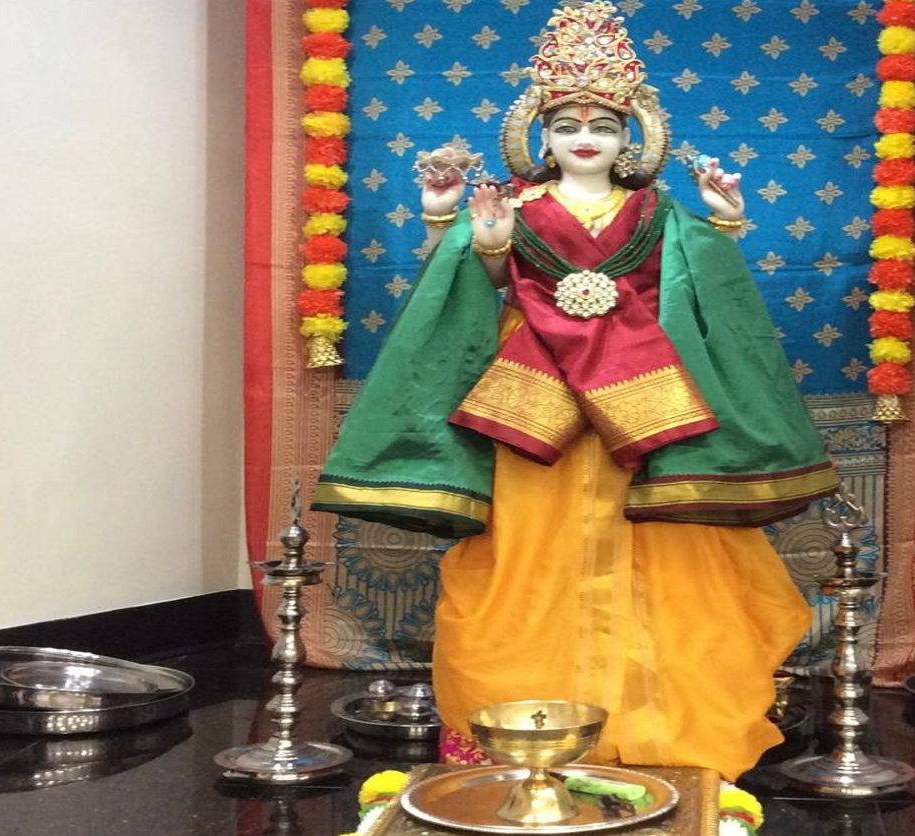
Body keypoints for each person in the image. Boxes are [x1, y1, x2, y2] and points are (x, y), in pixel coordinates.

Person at [309, 0, 836, 780]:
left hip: (642, 409)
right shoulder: (516, 207)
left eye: (602, 125)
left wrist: (725, 225)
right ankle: (525, 723)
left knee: (667, 556)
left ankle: (662, 732)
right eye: (565, 125)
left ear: (630, 139)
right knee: (523, 556)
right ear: (542, 137)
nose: (584, 137)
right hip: (535, 406)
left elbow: (701, 298)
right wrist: (456, 229)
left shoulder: (658, 213)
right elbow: (468, 289)